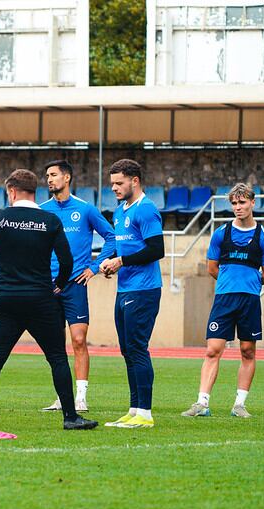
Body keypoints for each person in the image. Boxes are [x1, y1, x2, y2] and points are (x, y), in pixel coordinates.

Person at [0, 169, 98, 431]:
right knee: (57, 358)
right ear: (34, 191)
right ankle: (70, 416)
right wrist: (58, 286)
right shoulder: (49, 220)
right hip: (41, 300)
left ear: (12, 191)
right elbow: (67, 261)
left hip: (7, 300)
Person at [182, 183, 264, 419]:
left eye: (242, 202)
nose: (238, 207)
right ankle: (202, 403)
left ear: (252, 203)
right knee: (213, 350)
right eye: (234, 203)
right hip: (224, 300)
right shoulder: (221, 233)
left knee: (247, 351)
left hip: (249, 301)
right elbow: (213, 268)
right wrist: (230, 282)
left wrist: (247, 284)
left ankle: (239, 405)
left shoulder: (263, 237)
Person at [39, 160, 116, 413]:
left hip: (74, 285)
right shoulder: (43, 211)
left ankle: (80, 397)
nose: (49, 180)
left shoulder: (85, 209)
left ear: (67, 177)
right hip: (48, 286)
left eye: (53, 175)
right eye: (47, 176)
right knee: (55, 344)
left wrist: (94, 268)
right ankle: (62, 396)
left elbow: (112, 237)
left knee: (79, 339)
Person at [100, 159, 164, 429]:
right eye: (112, 183)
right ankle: (134, 409)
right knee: (127, 351)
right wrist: (110, 260)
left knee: (137, 349)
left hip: (144, 289)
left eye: (119, 183)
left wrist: (121, 262)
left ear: (134, 181)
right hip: (125, 287)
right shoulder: (120, 211)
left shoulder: (146, 209)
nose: (114, 188)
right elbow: (126, 248)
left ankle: (146, 414)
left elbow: (156, 249)